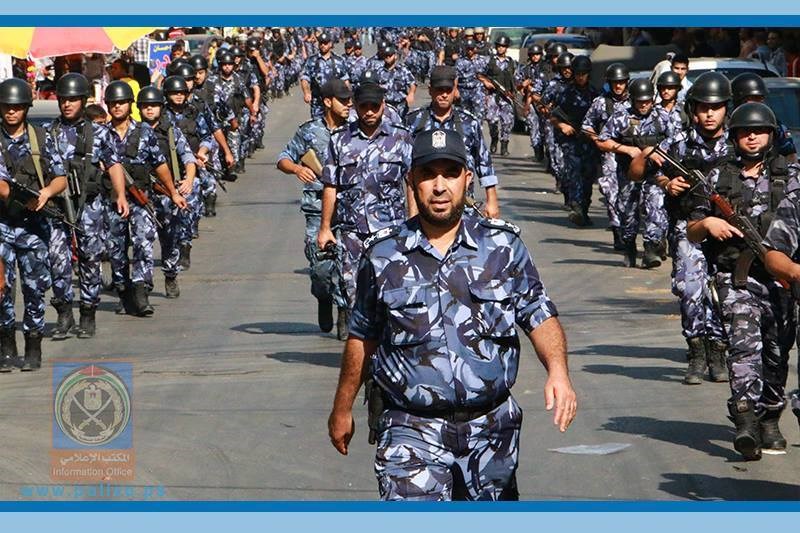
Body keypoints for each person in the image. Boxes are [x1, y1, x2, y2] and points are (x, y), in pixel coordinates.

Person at [327, 128, 577, 500]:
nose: (439, 186)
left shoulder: (502, 247)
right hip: (411, 428)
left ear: (467, 179)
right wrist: (342, 407)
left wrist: (558, 372)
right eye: (428, 175)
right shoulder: (383, 256)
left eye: (450, 173)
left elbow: (537, 313)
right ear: (411, 181)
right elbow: (363, 336)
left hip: (491, 431)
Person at [687, 102, 796, 460]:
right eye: (745, 132)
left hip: (782, 280)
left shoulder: (790, 175)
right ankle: (746, 417)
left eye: (759, 131)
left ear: (771, 135)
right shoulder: (718, 176)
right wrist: (708, 224)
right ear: (734, 137)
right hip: (738, 278)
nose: (752, 137)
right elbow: (692, 229)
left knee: (777, 352)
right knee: (744, 345)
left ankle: (770, 417)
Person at [651, 71, 733, 385]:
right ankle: (696, 350)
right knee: (689, 288)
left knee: (724, 291)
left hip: (727, 228)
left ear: (726, 108)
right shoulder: (678, 143)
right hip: (688, 227)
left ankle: (718, 350)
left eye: (716, 107)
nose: (710, 113)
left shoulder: (737, 143)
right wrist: (667, 183)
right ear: (694, 109)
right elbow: (652, 169)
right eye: (703, 107)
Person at [316, 83, 414, 340]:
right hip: (352, 234)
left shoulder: (400, 138)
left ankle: (385, 351)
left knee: (392, 294)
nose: (369, 111)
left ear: (383, 105)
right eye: (364, 106)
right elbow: (330, 186)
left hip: (391, 233)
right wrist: (325, 228)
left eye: (374, 106)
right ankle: (363, 355)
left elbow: (412, 183)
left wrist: (416, 223)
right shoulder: (340, 140)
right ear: (355, 108)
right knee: (355, 297)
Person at [48, 73, 129, 339]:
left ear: (83, 101)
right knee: (57, 260)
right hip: (58, 206)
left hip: (89, 205)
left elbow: (114, 165)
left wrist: (120, 194)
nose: (67, 104)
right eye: (63, 99)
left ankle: (87, 312)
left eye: (73, 99)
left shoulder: (99, 132)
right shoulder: (49, 132)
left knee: (90, 258)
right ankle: (64, 313)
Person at [103, 81, 187, 315]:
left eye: (122, 102)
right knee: (116, 251)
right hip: (111, 201)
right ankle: (123, 291)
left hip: (141, 199)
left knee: (143, 243)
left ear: (130, 105)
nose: (117, 106)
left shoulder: (144, 132)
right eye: (113, 103)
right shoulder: (101, 134)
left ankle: (141, 291)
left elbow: (160, 165)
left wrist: (173, 192)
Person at [0, 78, 67, 370]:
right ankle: (5, 345)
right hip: (2, 224)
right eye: (6, 106)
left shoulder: (41, 138)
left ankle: (33, 345)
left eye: (17, 107)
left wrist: (46, 193)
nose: (11, 112)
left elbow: (61, 178)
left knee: (34, 288)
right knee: (2, 289)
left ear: (26, 108)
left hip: (33, 226)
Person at [277, 80, 351, 335]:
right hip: (317, 209)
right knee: (320, 267)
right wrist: (297, 169)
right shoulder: (309, 131)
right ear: (328, 102)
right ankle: (323, 296)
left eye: (350, 100)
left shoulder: (356, 131)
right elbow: (283, 158)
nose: (348, 104)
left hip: (348, 208)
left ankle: (344, 312)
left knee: (346, 265)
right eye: (343, 100)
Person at [598, 78, 680, 268]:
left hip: (655, 173)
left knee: (657, 208)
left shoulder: (663, 117)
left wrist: (660, 151)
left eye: (647, 101)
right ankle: (629, 246)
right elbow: (602, 141)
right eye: (639, 101)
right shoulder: (621, 117)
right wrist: (626, 149)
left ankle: (651, 249)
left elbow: (677, 139)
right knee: (628, 214)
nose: (643, 105)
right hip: (628, 174)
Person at [405, 65, 500, 218]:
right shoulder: (414, 122)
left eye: (448, 90)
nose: (444, 95)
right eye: (439, 90)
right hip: (427, 206)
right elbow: (409, 170)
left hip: (462, 207)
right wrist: (413, 213)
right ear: (430, 90)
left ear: (455, 90)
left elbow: (483, 162)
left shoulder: (469, 122)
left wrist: (492, 200)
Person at [583, 62, 629, 249]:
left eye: (621, 82)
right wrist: (596, 139)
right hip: (609, 154)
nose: (618, 86)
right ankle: (617, 232)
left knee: (632, 195)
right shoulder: (600, 102)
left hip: (632, 153)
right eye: (615, 82)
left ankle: (630, 231)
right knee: (611, 193)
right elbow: (587, 124)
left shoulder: (635, 101)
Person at [549, 55, 599, 226]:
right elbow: (553, 116)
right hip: (571, 141)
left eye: (583, 73)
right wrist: (562, 125)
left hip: (589, 142)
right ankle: (576, 206)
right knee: (574, 173)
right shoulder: (565, 93)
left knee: (588, 176)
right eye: (578, 73)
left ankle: (584, 209)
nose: (580, 77)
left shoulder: (595, 94)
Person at [480, 34, 517, 156]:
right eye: (499, 46)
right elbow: (479, 74)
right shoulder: (489, 61)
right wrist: (486, 82)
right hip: (493, 95)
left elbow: (516, 79)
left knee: (507, 122)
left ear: (507, 48)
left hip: (506, 96)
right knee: (491, 121)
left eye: (503, 46)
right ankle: (494, 138)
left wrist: (515, 91)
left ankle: (504, 145)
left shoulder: (511, 63)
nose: (501, 48)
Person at [300, 32, 349, 119]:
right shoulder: (312, 60)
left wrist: (347, 97)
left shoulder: (339, 60)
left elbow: (345, 80)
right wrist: (306, 93)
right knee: (318, 125)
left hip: (335, 101)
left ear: (330, 44)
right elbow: (304, 78)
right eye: (321, 43)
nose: (323, 45)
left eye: (325, 43)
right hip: (318, 103)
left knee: (337, 124)